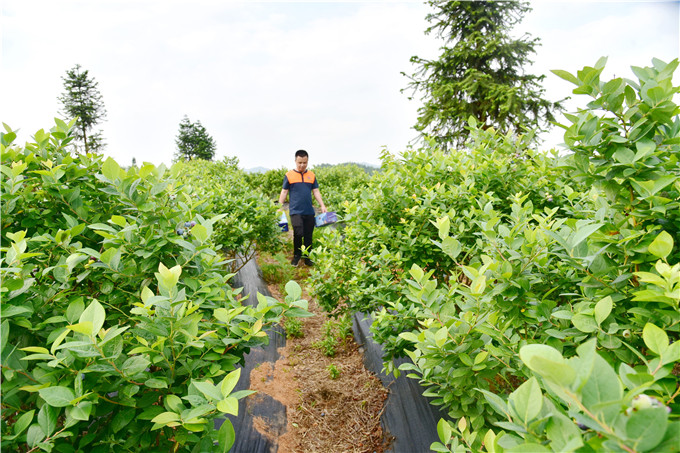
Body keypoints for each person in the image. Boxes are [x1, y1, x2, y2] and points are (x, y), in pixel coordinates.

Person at [278, 149, 327, 266]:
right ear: (295, 161)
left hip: (309, 211)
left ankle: (307, 257)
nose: (302, 165)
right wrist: (279, 207)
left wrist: (322, 205)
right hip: (295, 210)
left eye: (304, 162)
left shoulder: (311, 175)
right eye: (300, 162)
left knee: (308, 235)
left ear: (307, 161)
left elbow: (316, 191)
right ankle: (297, 255)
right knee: (298, 232)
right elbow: (284, 191)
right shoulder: (289, 175)